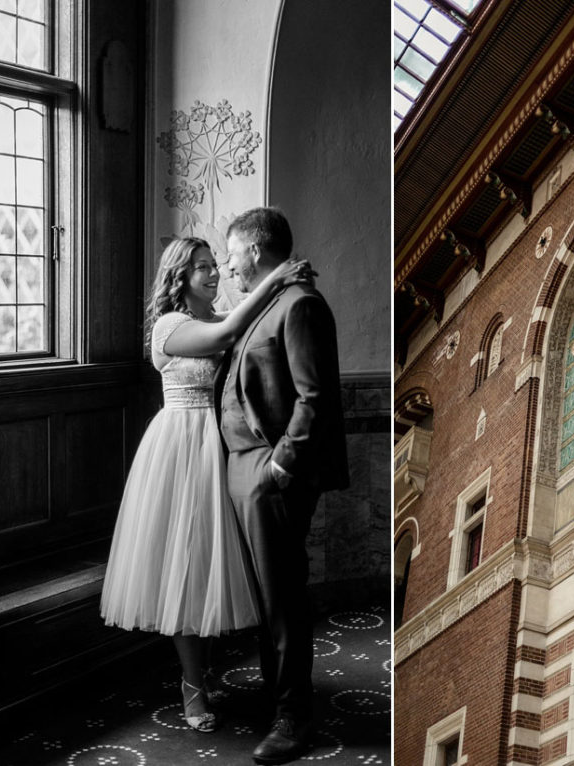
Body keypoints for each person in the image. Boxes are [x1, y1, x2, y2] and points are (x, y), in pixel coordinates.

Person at [100, 236, 313, 733]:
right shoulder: (169, 327)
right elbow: (227, 337)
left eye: (215, 264)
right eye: (201, 268)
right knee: (186, 566)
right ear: (180, 276)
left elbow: (244, 335)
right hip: (180, 447)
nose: (214, 273)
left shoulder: (220, 317)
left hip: (221, 446)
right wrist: (275, 280)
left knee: (214, 564)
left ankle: (208, 672)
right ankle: (191, 687)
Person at [218, 208, 348, 765]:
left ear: (254, 250)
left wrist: (280, 468)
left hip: (270, 474)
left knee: (283, 600)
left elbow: (313, 397)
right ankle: (278, 701)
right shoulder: (266, 303)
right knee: (264, 598)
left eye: (231, 254)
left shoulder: (301, 306)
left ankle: (294, 719)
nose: (227, 266)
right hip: (242, 467)